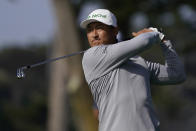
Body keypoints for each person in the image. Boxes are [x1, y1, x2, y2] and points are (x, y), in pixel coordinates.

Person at [80, 9, 186, 131]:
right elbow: (144, 40)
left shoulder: (138, 62)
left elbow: (177, 74)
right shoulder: (92, 56)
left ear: (115, 31)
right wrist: (155, 33)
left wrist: (164, 41)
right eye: (89, 30)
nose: (94, 34)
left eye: (99, 28)